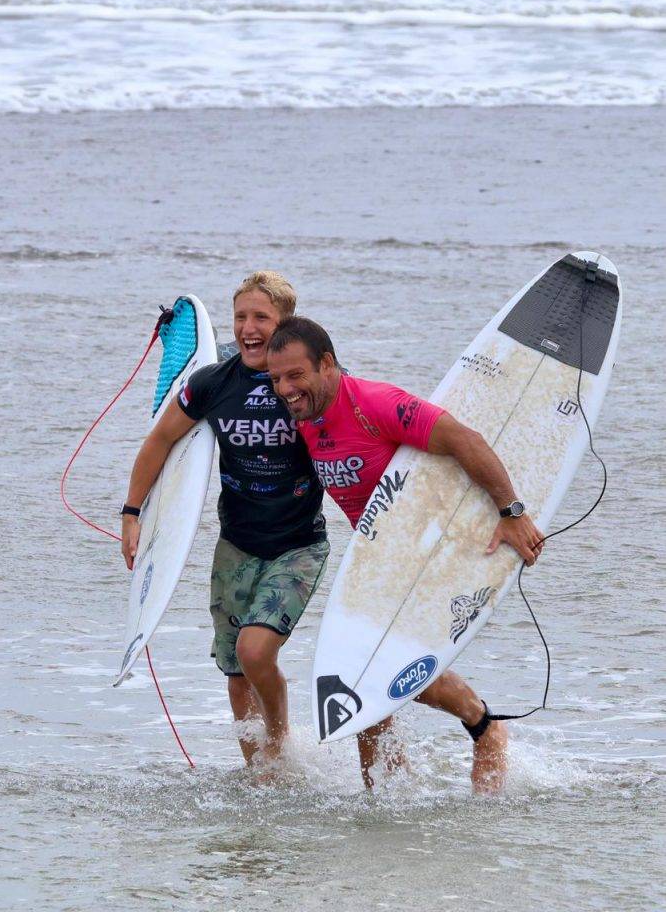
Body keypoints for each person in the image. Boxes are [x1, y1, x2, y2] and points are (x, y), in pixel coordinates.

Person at [267, 316, 546, 794]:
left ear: (328, 364)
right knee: (363, 675)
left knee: (370, 670)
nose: (285, 389)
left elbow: (464, 440)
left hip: (426, 554)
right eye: (276, 380)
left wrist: (511, 511)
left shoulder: (374, 404)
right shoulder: (309, 418)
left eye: (296, 375)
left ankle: (483, 728)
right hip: (378, 562)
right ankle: (389, 789)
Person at [120, 272, 331, 774]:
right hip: (237, 545)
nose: (248, 328)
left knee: (255, 650)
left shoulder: (303, 385)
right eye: (240, 316)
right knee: (235, 668)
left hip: (297, 545)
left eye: (261, 317)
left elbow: (351, 445)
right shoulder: (213, 384)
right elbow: (160, 441)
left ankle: (280, 746)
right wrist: (132, 513)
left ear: (286, 324)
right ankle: (259, 773)